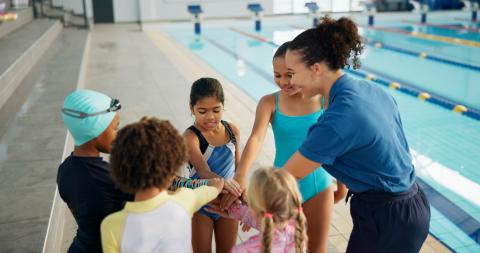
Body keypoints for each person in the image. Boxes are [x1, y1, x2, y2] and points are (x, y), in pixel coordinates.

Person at [283, 16, 430, 253]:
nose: (291, 81)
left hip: (389, 216)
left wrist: (241, 200)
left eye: (292, 73)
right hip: (407, 205)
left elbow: (285, 177)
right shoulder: (368, 89)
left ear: (316, 68)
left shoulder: (340, 118)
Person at [221, 42, 346, 252]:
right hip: (280, 189)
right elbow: (256, 139)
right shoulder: (270, 102)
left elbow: (336, 143)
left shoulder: (323, 100)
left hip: (318, 186)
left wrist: (342, 184)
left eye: (289, 74)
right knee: (280, 246)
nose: (283, 82)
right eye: (277, 75)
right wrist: (241, 175)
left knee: (316, 249)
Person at [101, 117, 224, 253]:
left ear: (120, 171)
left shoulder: (111, 226)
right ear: (172, 173)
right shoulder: (184, 201)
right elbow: (208, 190)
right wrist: (217, 185)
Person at [57, 89, 133, 253]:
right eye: (115, 128)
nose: (118, 135)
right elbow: (157, 192)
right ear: (95, 129)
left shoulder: (64, 170)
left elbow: (80, 216)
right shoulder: (108, 177)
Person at [184, 77, 242, 253]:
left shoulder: (232, 131)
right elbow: (203, 172)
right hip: (202, 205)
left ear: (223, 106)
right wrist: (227, 183)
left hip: (227, 202)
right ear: (192, 109)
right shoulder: (191, 137)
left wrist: (241, 195)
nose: (210, 117)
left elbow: (238, 167)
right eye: (202, 111)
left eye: (216, 110)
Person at [208, 167, 307, 253]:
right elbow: (261, 217)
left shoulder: (243, 250)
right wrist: (232, 209)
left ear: (254, 208)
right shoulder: (297, 233)